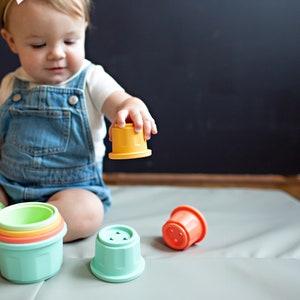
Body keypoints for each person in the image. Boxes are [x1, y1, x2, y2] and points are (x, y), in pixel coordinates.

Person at [0, 0, 158, 242]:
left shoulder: (91, 79)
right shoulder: (10, 85)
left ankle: (27, 234)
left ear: (83, 30)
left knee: (87, 212)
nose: (56, 53)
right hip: (9, 186)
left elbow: (119, 101)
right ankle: (16, 226)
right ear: (11, 41)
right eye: (38, 44)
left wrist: (130, 107)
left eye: (70, 41)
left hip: (71, 190)